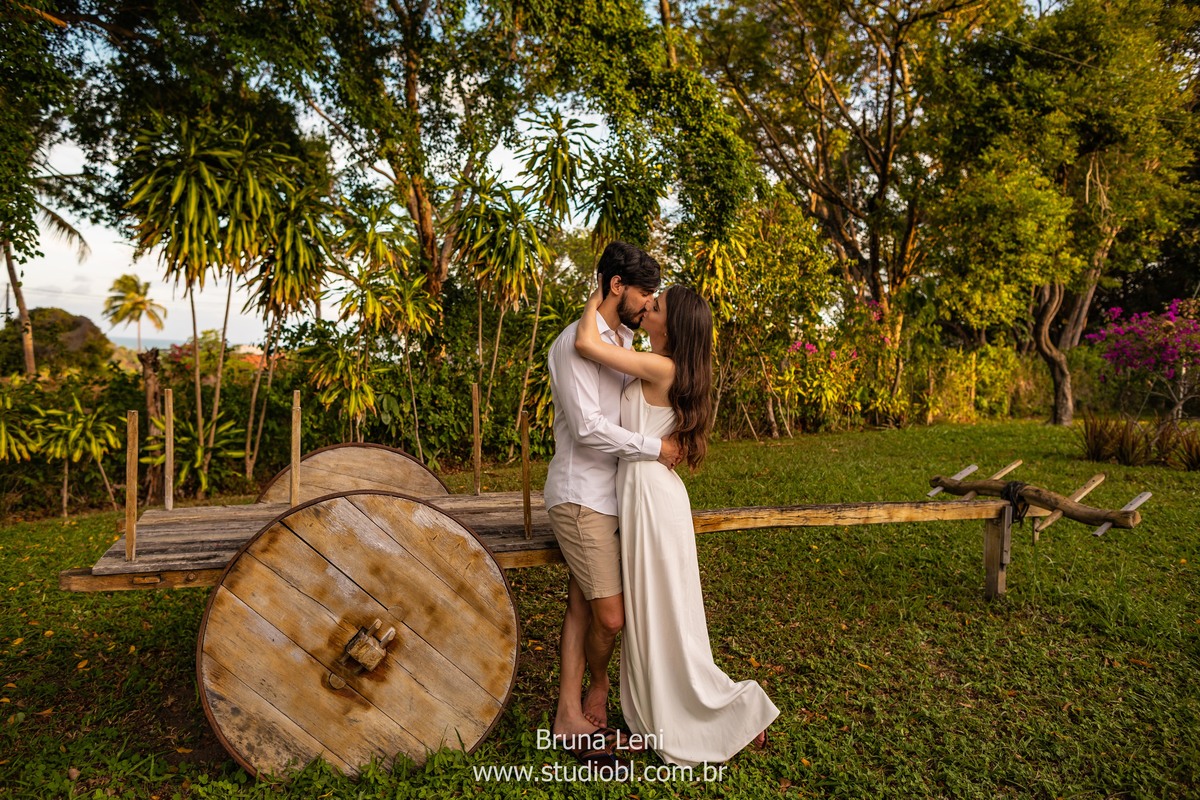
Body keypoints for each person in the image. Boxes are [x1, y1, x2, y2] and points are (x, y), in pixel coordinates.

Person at [574, 282, 779, 767]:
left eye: (657, 306)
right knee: (660, 613)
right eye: (651, 299)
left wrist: (597, 292)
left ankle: (722, 712)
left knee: (666, 614)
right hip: (646, 496)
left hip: (652, 499)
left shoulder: (662, 366)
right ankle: (687, 709)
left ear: (674, 326)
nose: (648, 306)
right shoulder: (661, 363)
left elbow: (586, 343)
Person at [544, 242, 682, 760]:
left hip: (622, 498)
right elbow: (587, 428)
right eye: (644, 294)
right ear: (617, 286)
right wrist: (656, 448)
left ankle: (569, 714)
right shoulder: (570, 345)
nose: (648, 305)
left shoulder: (624, 341)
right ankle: (592, 693)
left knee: (582, 606)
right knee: (610, 617)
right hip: (582, 497)